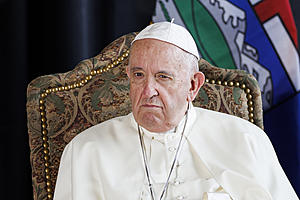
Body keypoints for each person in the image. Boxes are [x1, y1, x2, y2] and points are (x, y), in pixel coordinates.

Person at [53, 21, 299, 200]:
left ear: (193, 85)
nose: (148, 90)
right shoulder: (84, 150)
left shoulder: (245, 140)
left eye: (163, 77)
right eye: (138, 75)